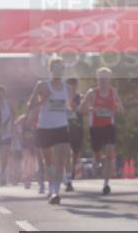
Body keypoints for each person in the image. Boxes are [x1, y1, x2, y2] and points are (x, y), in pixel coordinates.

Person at [26, 57, 72, 204]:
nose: (59, 71)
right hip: (45, 126)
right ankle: (51, 187)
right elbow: (30, 106)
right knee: (49, 162)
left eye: (61, 68)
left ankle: (55, 192)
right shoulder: (42, 85)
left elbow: (69, 107)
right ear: (50, 70)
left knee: (61, 158)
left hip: (61, 126)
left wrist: (72, 111)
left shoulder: (67, 88)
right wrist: (43, 100)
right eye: (56, 68)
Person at [79, 67, 124, 195]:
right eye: (101, 78)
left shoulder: (113, 92)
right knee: (98, 154)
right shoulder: (92, 93)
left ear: (109, 79)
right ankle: (96, 160)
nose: (103, 81)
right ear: (97, 79)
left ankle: (106, 184)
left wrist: (114, 107)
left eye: (106, 78)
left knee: (110, 155)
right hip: (95, 127)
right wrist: (92, 110)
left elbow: (121, 109)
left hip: (109, 126)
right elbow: (81, 109)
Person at [64, 78, 84, 192]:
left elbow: (81, 109)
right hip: (65, 126)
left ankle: (70, 172)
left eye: (74, 86)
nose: (71, 88)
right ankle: (67, 178)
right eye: (69, 86)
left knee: (75, 153)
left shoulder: (80, 97)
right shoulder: (62, 97)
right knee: (66, 151)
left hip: (77, 127)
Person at [0, 87, 13, 186]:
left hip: (7, 133)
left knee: (5, 154)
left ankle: (2, 174)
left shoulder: (8, 104)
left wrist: (13, 129)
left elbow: (12, 117)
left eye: (2, 93)